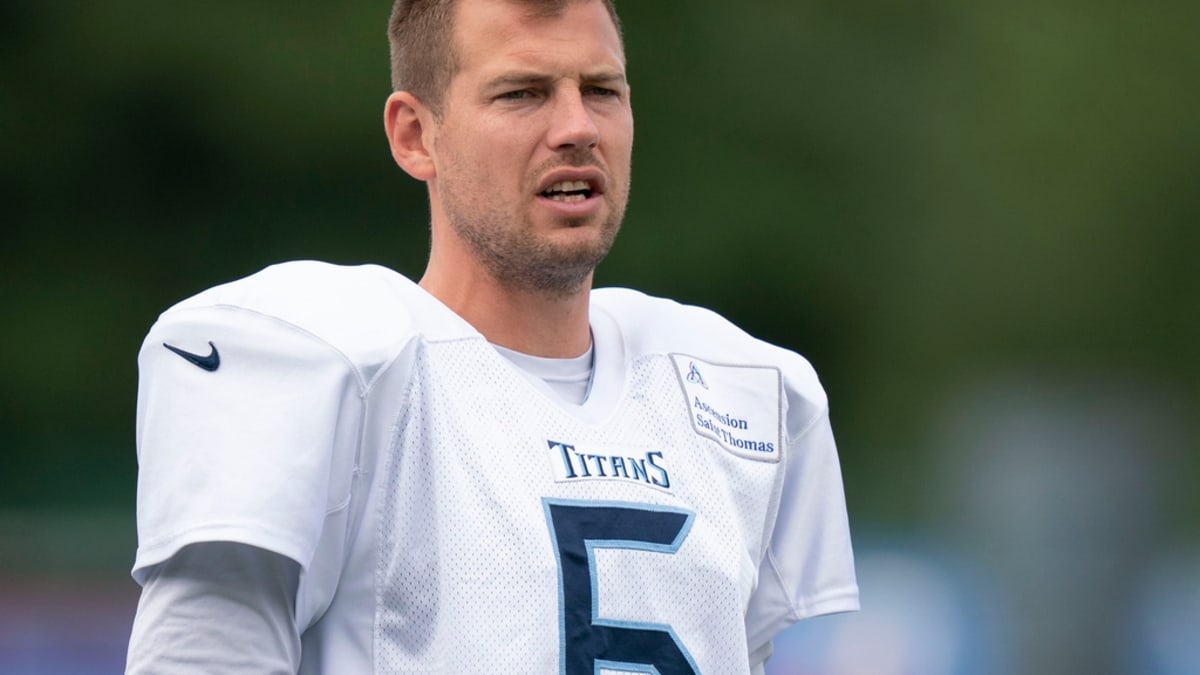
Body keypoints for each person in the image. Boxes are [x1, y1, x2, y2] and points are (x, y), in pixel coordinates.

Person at [125, 0, 859, 672]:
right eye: (523, 93)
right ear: (416, 136)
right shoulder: (330, 359)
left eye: (601, 90)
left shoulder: (742, 390)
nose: (577, 127)